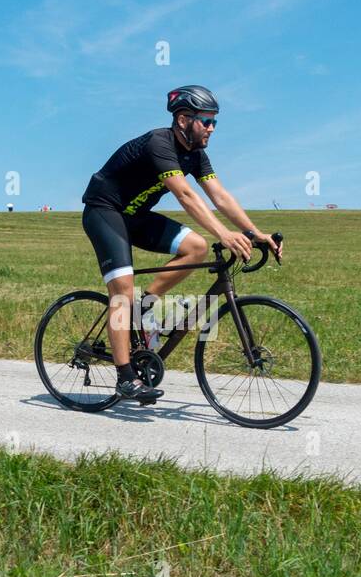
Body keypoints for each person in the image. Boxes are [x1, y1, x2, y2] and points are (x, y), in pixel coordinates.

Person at [80, 85, 282, 403]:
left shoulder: (196, 154)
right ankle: (125, 377)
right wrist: (225, 235)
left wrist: (255, 233)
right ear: (184, 119)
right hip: (104, 212)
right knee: (122, 290)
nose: (212, 128)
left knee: (196, 247)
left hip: (135, 216)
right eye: (206, 121)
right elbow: (186, 196)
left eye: (215, 121)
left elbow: (220, 196)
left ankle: (144, 307)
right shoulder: (159, 143)